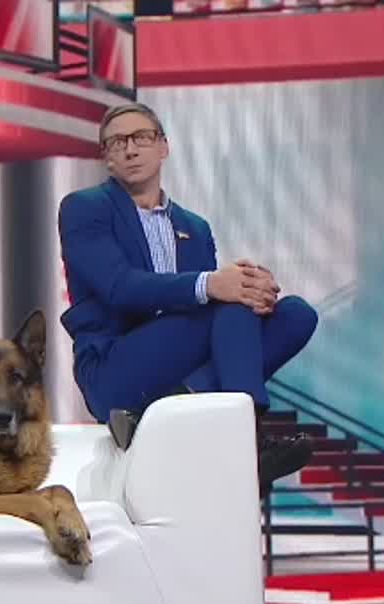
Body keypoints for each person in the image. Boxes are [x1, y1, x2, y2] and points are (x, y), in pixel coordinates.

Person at [57, 103, 319, 490]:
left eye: (141, 138)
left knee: (296, 314)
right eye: (117, 143)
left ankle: (171, 405)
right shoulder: (84, 208)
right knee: (228, 301)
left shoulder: (195, 227)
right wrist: (213, 284)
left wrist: (251, 288)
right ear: (107, 158)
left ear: (164, 147)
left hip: (178, 366)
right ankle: (247, 435)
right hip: (115, 368)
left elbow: (211, 302)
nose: (130, 149)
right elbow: (119, 287)